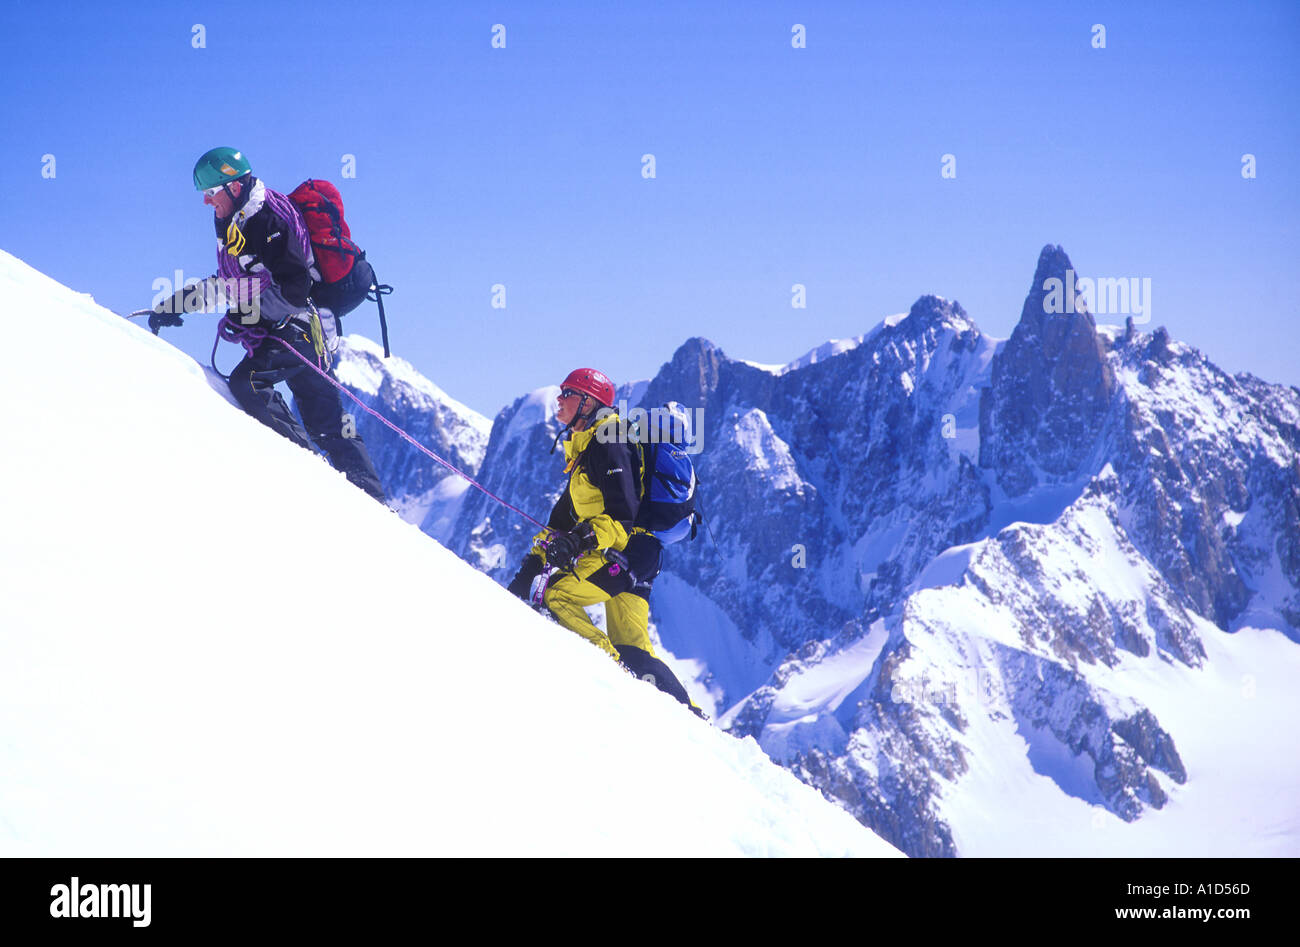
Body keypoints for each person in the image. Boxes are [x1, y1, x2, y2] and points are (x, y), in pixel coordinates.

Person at [150, 147, 386, 503]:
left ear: (233, 187)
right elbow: (232, 284)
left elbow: (295, 288)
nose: (205, 202)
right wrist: (179, 303)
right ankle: (369, 500)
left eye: (211, 192)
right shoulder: (238, 224)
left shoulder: (266, 220)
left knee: (251, 383)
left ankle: (314, 474)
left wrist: (250, 313)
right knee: (327, 422)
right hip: (297, 329)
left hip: (302, 327)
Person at [506, 369, 700, 714]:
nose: (559, 399)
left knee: (556, 596)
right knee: (632, 645)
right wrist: (533, 564)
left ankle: (613, 677)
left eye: (568, 392)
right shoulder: (586, 450)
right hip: (638, 557)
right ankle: (691, 716)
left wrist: (578, 541)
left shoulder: (609, 444)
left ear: (588, 401)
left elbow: (622, 517)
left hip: (624, 553)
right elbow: (562, 520)